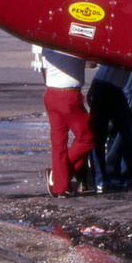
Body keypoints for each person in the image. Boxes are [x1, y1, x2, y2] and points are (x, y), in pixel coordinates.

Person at [40, 48, 93, 197]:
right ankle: (58, 178)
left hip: (51, 92)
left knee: (58, 142)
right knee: (87, 137)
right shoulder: (73, 44)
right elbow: (92, 62)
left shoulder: (47, 43)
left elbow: (44, 70)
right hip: (69, 95)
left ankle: (60, 186)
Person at [87, 65, 132, 191]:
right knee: (119, 132)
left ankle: (107, 177)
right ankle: (101, 179)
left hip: (111, 86)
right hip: (107, 86)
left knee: (122, 132)